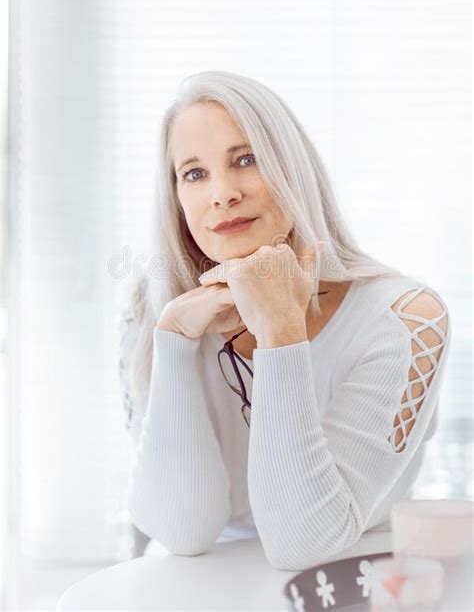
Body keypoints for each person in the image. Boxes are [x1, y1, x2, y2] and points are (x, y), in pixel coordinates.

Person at [118, 70, 450, 571]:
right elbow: (182, 532)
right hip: (201, 592)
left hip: (351, 588)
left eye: (245, 160)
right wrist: (174, 342)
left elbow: (305, 544)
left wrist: (280, 331)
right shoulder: (156, 309)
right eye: (194, 173)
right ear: (176, 198)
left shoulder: (405, 319)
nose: (222, 194)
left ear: (291, 168)